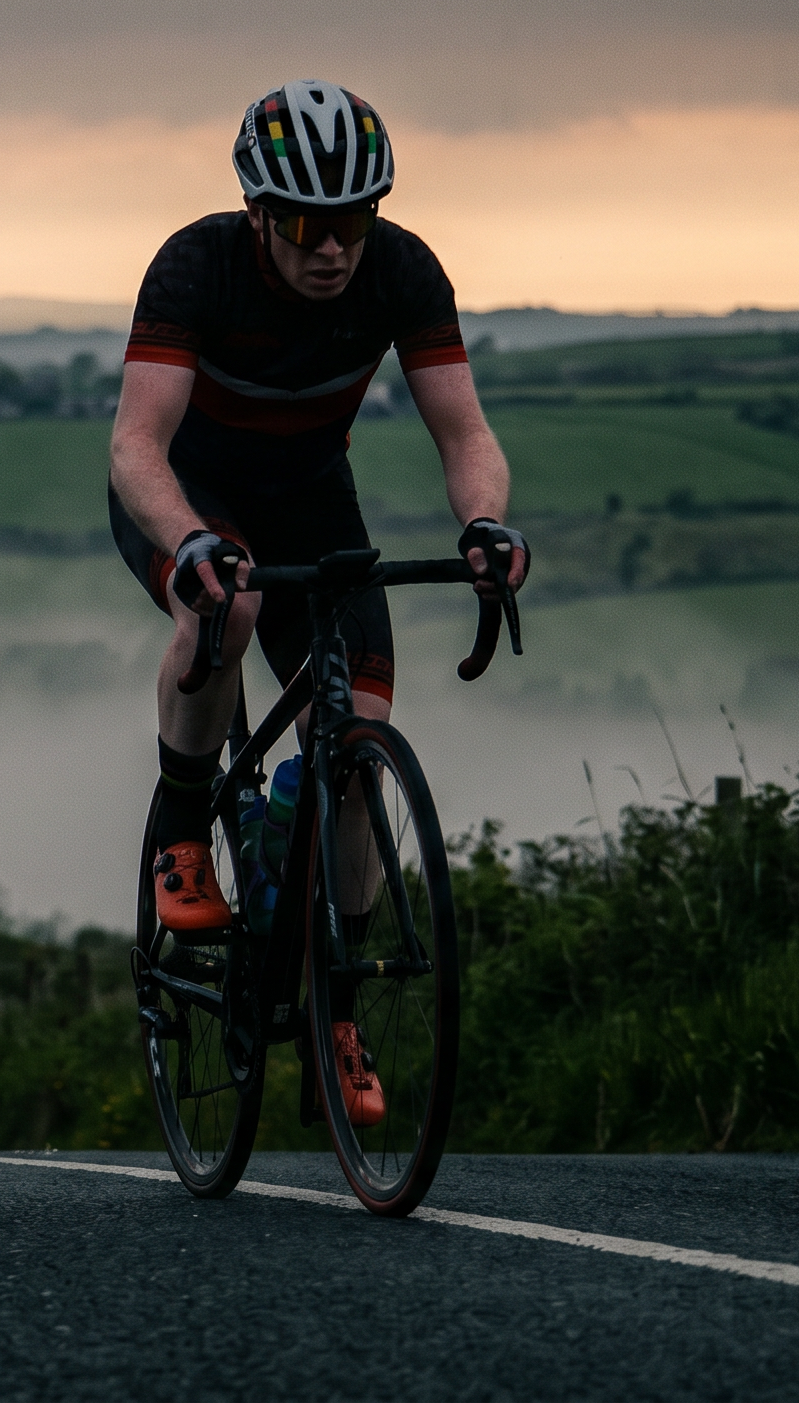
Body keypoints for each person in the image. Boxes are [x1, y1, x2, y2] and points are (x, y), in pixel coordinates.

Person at [108, 79, 530, 1123]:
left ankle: (332, 1011)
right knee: (229, 608)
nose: (331, 246)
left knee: (359, 740)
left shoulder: (401, 272)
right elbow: (134, 447)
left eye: (353, 219)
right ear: (256, 211)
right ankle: (178, 823)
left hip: (309, 501)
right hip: (187, 497)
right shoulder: (194, 265)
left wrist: (482, 525)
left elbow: (464, 434)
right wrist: (190, 540)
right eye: (305, 223)